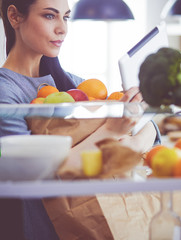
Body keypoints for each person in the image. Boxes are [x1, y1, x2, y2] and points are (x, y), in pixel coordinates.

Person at [0, 0, 160, 239]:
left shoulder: (71, 84)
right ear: (14, 17)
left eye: (65, 17)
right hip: (39, 230)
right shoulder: (6, 91)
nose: (62, 29)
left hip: (88, 224)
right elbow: (31, 176)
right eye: (49, 16)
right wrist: (111, 131)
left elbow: (153, 128)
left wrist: (133, 138)